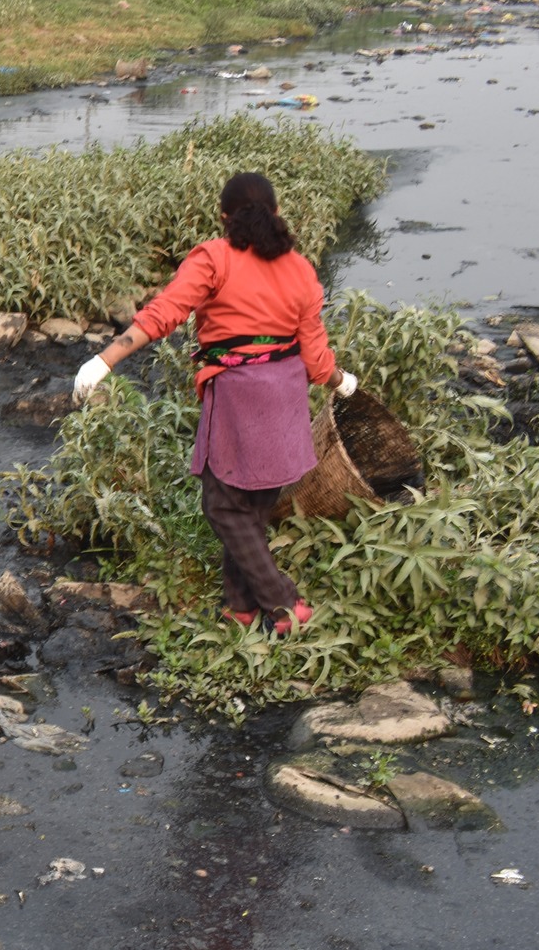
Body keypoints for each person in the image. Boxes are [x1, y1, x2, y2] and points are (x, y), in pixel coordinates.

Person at [73, 172, 359, 636]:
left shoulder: (213, 259)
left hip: (241, 395)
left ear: (224, 219)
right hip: (285, 396)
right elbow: (315, 358)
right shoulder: (301, 269)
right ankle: (240, 608)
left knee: (223, 507)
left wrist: (104, 360)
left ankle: (285, 606)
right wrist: (342, 382)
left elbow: (164, 313)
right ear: (277, 214)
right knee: (252, 506)